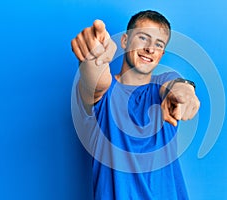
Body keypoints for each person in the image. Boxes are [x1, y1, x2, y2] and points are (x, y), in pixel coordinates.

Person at [71, 10, 200, 200]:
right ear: (124, 41)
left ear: (161, 54)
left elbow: (176, 86)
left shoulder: (163, 85)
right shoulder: (105, 94)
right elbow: (97, 82)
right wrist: (92, 59)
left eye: (158, 44)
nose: (150, 49)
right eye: (143, 38)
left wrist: (186, 93)